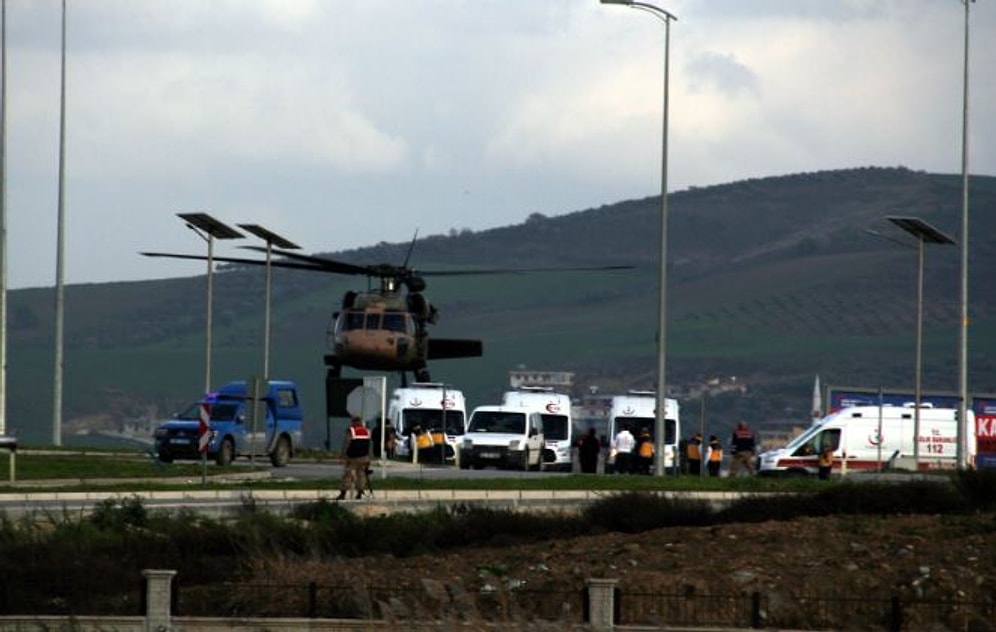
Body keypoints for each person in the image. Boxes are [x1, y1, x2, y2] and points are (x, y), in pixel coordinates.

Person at [336, 417, 371, 500]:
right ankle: (359, 493)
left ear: (353, 422)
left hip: (353, 458)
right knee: (362, 475)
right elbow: (368, 445)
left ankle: (343, 493)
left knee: (347, 475)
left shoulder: (351, 431)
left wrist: (342, 456)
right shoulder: (367, 431)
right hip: (364, 457)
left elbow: (346, 444)